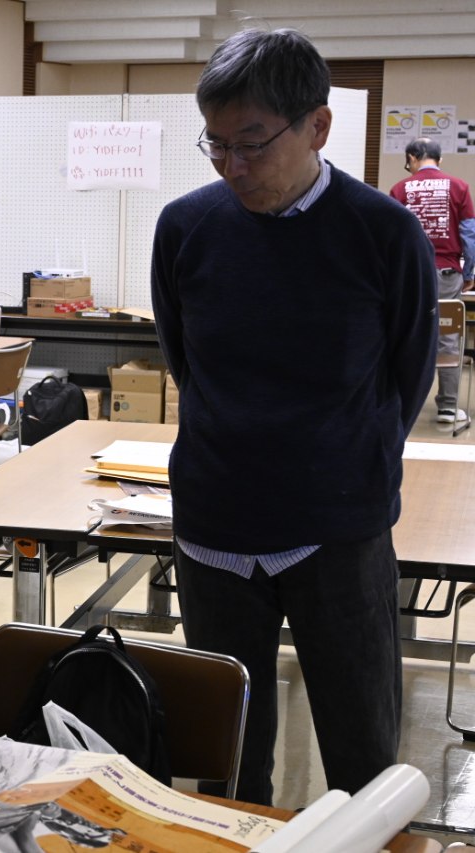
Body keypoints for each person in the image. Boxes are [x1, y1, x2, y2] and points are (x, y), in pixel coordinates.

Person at [150, 28, 436, 806]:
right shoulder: (186, 226)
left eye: (252, 143)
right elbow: (186, 360)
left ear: (318, 126)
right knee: (225, 763)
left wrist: (344, 460)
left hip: (337, 532)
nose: (233, 166)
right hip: (213, 526)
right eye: (216, 144)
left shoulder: (383, 232)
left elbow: (407, 376)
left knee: (361, 755)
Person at [388, 137, 475, 425]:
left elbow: (392, 237)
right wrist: (469, 273)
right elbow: (469, 236)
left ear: (413, 157)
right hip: (447, 273)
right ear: (439, 160)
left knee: (405, 335)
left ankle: (402, 405)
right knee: (448, 339)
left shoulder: (400, 189)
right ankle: (448, 408)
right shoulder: (459, 187)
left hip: (410, 273)